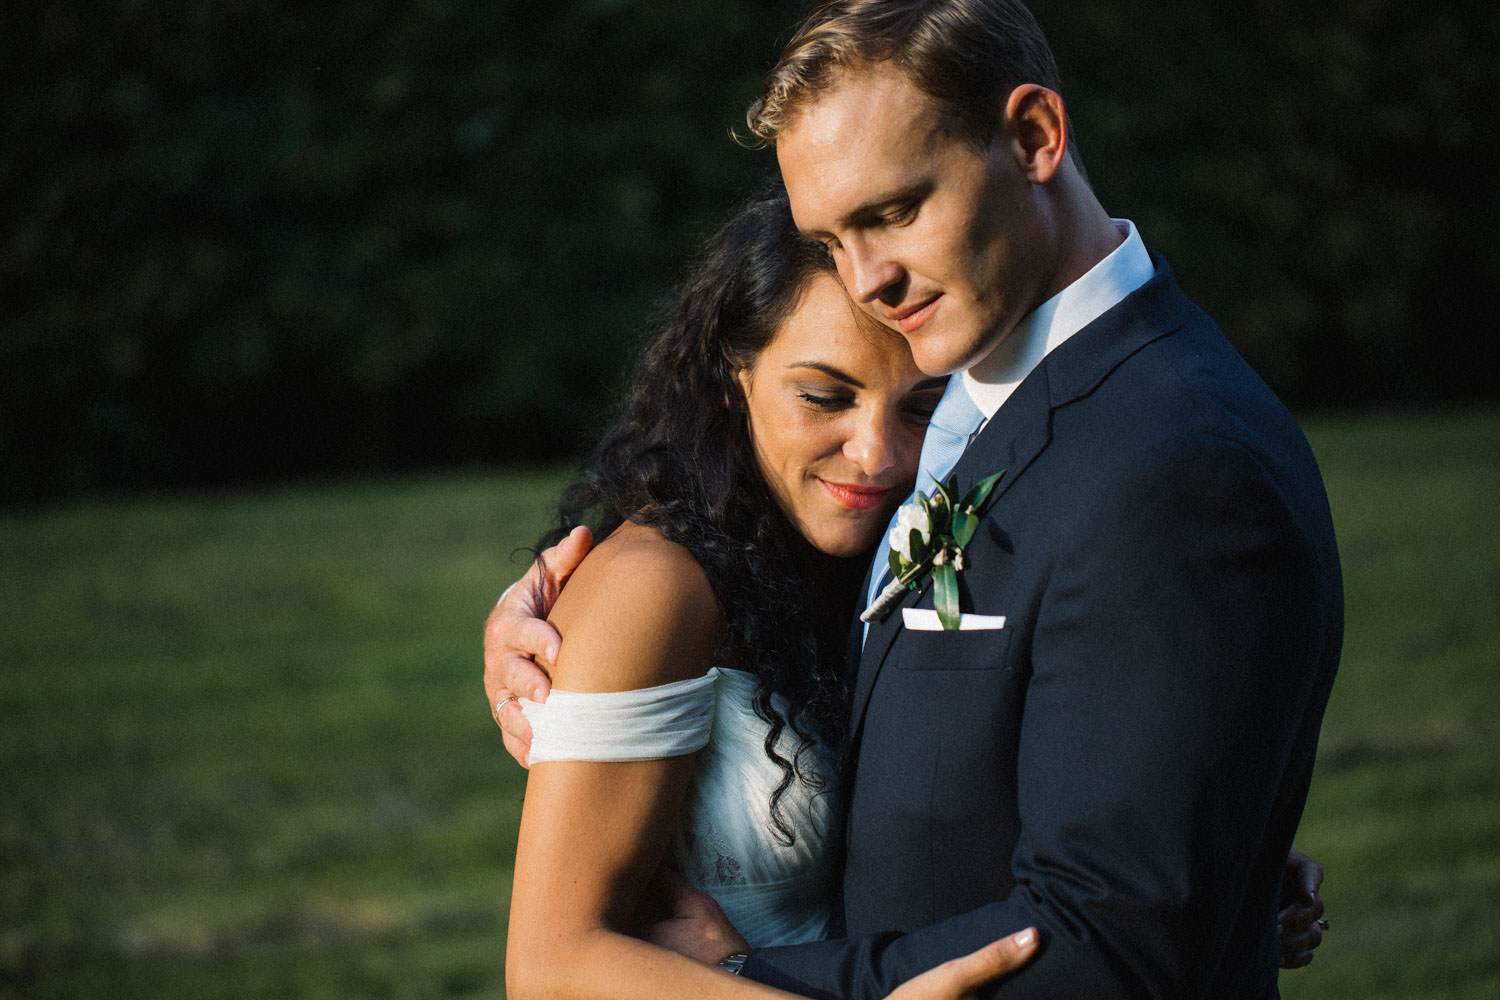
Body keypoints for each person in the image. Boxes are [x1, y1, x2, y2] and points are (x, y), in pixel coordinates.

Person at [493, 1, 1341, 996]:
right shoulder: (963, 387)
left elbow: (1119, 945)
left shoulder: (1175, 461)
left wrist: (746, 972)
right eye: (832, 237)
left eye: (894, 211)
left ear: (1033, 137)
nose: (869, 280)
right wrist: (571, 642)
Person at [503, 186, 1040, 1000]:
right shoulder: (655, 588)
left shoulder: (855, 565)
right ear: (733, 379)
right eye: (824, 396)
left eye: (921, 409)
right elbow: (548, 970)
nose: (878, 455)